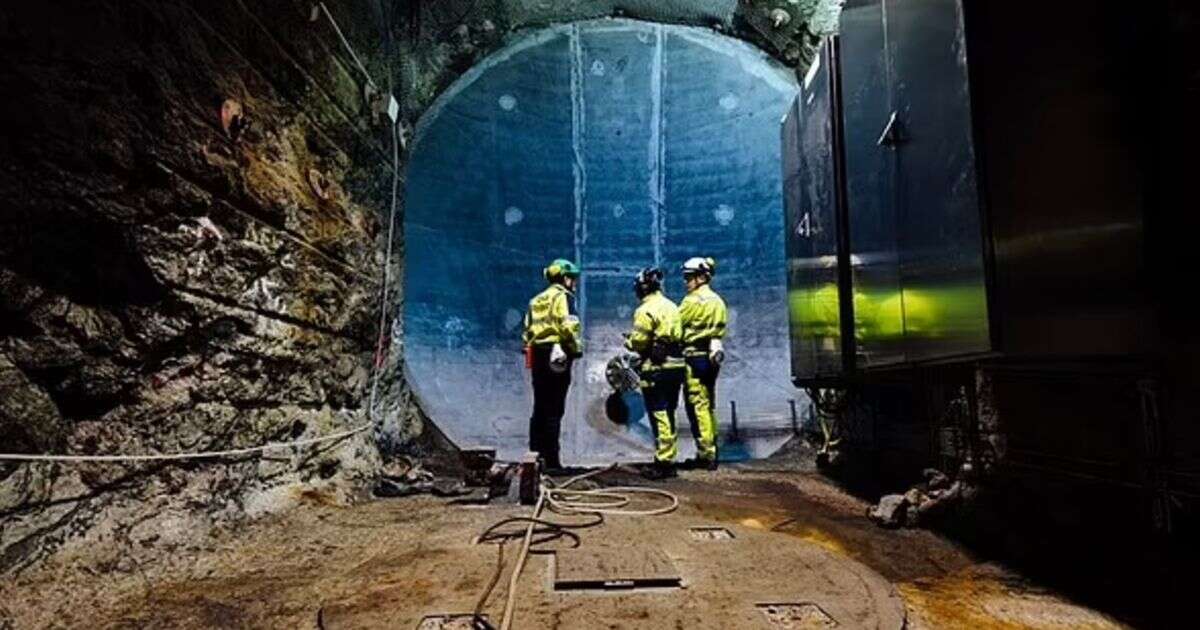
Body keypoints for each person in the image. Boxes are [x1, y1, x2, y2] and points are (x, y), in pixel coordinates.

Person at [624, 267, 686, 480]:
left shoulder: (644, 310)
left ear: (641, 288)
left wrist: (629, 341)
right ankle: (670, 455)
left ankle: (664, 462)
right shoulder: (672, 306)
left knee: (658, 413)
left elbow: (640, 341)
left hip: (656, 368)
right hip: (677, 366)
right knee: (669, 412)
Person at [522, 258, 582, 471]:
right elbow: (569, 326)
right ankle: (553, 461)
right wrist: (575, 349)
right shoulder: (564, 297)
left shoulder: (536, 300)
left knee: (539, 406)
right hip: (558, 354)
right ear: (565, 279)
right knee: (555, 409)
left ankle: (535, 458)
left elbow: (527, 331)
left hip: (538, 354)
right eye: (572, 278)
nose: (574, 283)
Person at [679, 257, 727, 470]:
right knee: (708, 404)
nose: (686, 282)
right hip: (711, 358)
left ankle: (706, 454)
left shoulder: (691, 302)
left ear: (701, 277)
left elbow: (675, 327)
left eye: (689, 277)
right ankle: (711, 448)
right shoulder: (718, 301)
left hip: (693, 357)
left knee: (697, 405)